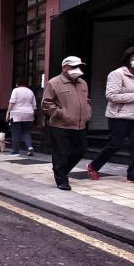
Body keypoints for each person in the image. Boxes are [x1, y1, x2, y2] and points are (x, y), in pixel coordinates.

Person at [87, 46, 134, 185]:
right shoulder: (117, 74)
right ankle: (93, 166)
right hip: (119, 115)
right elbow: (111, 96)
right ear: (128, 57)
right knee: (115, 144)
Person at [42, 56, 92, 191]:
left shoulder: (83, 83)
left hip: (80, 123)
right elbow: (46, 103)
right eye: (74, 67)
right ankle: (61, 179)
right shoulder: (54, 83)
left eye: (79, 66)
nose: (77, 69)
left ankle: (61, 169)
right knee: (61, 153)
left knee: (81, 150)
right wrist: (60, 113)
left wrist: (88, 112)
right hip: (60, 124)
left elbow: (86, 100)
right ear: (65, 68)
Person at [6, 79, 37, 156]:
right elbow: (34, 106)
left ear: (17, 84)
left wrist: (8, 112)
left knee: (15, 132)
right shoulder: (30, 92)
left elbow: (12, 102)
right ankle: (30, 147)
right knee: (26, 132)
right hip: (29, 113)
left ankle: (15, 151)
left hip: (17, 114)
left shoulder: (15, 90)